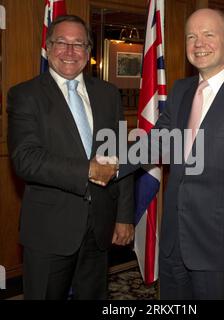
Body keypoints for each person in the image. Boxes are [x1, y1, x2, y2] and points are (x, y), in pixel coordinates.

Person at [102, 8, 224, 299]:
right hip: (175, 237)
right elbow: (156, 142)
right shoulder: (181, 90)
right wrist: (110, 165)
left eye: (208, 35)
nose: (198, 43)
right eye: (191, 36)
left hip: (221, 244)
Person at [7, 15, 134, 300]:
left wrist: (124, 216)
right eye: (62, 42)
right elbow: (26, 159)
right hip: (49, 229)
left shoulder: (108, 94)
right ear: (48, 47)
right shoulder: (25, 95)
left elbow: (121, 158)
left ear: (89, 52)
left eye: (78, 44)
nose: (70, 51)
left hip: (99, 228)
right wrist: (87, 170)